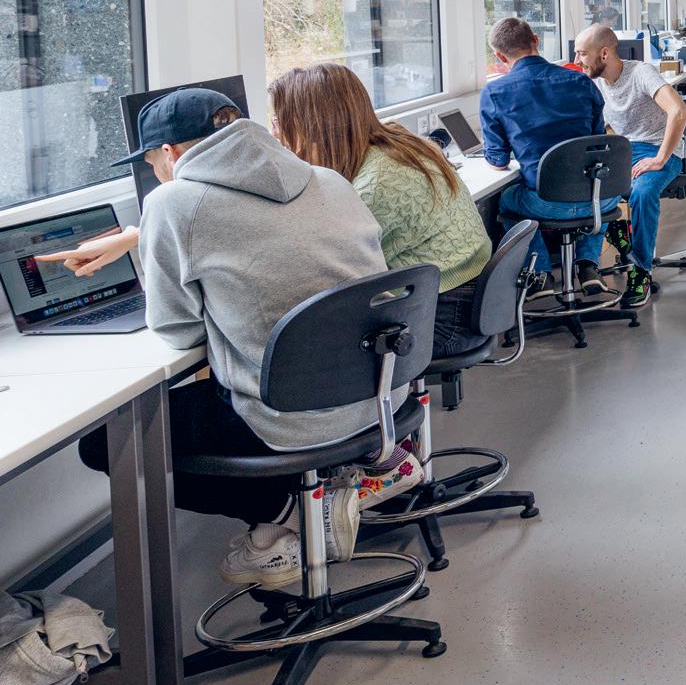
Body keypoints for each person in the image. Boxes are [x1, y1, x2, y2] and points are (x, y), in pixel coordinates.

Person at [60, 89, 389, 586]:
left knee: (104, 444)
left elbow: (178, 330)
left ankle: (284, 513)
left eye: (152, 162)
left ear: (170, 152)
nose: (156, 173)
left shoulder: (171, 202)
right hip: (374, 397)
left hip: (286, 421)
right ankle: (299, 510)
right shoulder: (329, 180)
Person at [267, 63, 493, 355]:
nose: (274, 132)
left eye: (277, 121)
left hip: (446, 320)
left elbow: (338, 270)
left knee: (305, 340)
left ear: (309, 124)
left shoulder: (376, 185)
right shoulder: (401, 143)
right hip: (471, 298)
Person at [480, 16, 609, 289]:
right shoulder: (581, 80)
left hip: (545, 203)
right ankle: (588, 265)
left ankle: (540, 273)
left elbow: (498, 161)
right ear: (536, 40)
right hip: (599, 199)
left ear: (500, 56)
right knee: (600, 186)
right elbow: (599, 143)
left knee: (506, 199)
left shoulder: (494, 92)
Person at [573, 24, 686, 307]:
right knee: (584, 186)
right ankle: (617, 239)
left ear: (604, 53)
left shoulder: (641, 73)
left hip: (661, 149)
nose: (577, 60)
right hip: (625, 150)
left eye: (582, 54)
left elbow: (679, 111)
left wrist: (660, 158)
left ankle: (641, 271)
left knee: (642, 193)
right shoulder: (595, 82)